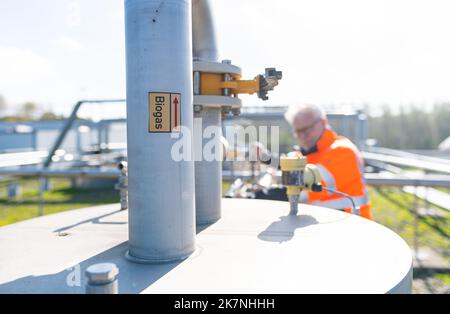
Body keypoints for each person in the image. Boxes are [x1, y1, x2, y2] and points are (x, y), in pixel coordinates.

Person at [255, 104, 373, 220]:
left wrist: (266, 195)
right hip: (325, 227)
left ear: (323, 122)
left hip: (352, 228)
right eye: (298, 131)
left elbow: (305, 189)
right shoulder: (303, 154)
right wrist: (266, 158)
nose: (303, 136)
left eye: (307, 129)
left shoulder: (344, 151)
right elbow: (286, 165)